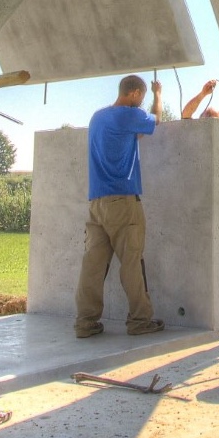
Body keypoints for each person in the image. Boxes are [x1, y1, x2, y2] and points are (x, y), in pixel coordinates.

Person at [74, 74, 166, 339]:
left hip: (97, 202)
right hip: (123, 201)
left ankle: (85, 323)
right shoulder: (128, 114)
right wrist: (158, 94)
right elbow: (156, 120)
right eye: (142, 96)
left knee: (93, 265)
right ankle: (139, 320)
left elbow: (131, 137)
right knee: (131, 261)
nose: (142, 102)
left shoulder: (98, 118)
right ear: (135, 93)